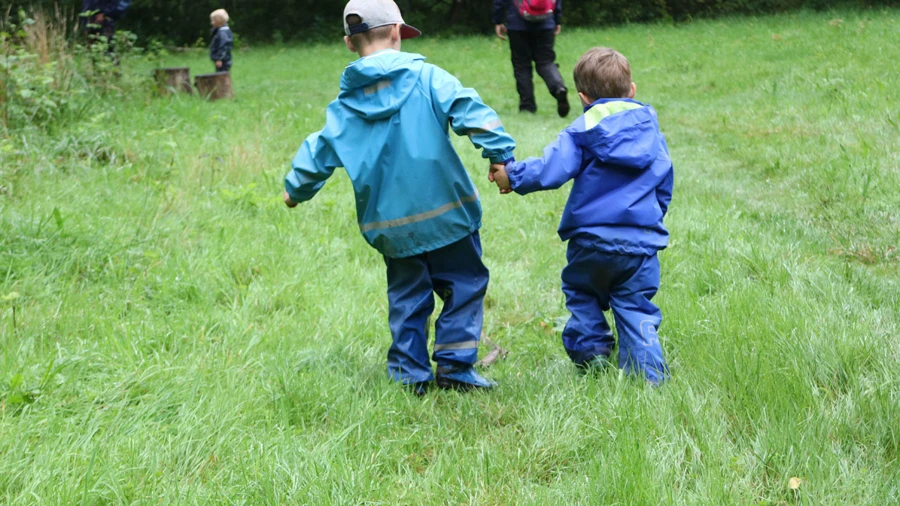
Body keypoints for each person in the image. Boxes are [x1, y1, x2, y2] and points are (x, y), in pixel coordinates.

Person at [283, 0, 516, 394]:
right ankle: (456, 368)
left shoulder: (344, 108)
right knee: (464, 286)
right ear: (396, 32)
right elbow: (472, 112)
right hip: (449, 216)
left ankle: (410, 375)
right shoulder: (428, 78)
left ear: (348, 43)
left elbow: (317, 151)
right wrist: (501, 158)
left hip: (391, 227)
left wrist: (294, 190)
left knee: (408, 296)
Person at [489, 47, 672, 384]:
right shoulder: (652, 134)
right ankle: (648, 378)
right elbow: (664, 188)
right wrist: (649, 220)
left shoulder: (581, 130)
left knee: (583, 293)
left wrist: (511, 176)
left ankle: (591, 356)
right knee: (635, 307)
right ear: (631, 90)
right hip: (641, 246)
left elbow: (549, 170)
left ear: (583, 97)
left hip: (591, 242)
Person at [492, 0, 569, 117]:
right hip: (546, 21)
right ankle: (558, 88)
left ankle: (527, 107)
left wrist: (498, 20)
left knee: (522, 65)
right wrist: (557, 19)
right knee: (545, 62)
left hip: (516, 24)